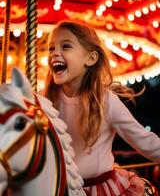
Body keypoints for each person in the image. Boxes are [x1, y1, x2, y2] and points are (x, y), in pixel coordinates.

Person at [43, 20, 160, 196]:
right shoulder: (43, 99)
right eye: (51, 48)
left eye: (65, 46)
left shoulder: (105, 101)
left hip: (99, 188)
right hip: (58, 188)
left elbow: (145, 141)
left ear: (90, 58)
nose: (55, 53)